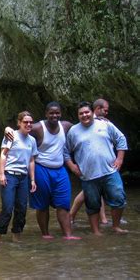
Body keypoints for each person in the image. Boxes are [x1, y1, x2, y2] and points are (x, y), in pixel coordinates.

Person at [5, 102, 80, 240]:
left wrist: (99, 120)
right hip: (41, 168)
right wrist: (7, 129)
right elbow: (20, 128)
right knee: (42, 204)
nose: (54, 115)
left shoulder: (66, 126)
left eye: (57, 113)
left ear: (61, 113)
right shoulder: (39, 127)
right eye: (51, 113)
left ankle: (68, 235)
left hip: (60, 169)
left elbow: (82, 128)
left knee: (63, 203)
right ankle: (45, 234)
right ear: (46, 114)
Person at [64, 101, 128, 235]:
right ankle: (96, 231)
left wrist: (119, 159)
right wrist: (72, 166)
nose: (84, 115)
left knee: (119, 198)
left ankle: (116, 226)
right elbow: (65, 151)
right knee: (92, 205)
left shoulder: (105, 124)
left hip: (109, 171)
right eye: (81, 113)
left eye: (87, 112)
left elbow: (121, 139)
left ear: (92, 112)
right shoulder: (73, 132)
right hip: (88, 175)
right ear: (78, 115)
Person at [0, 111, 37, 247]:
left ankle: (16, 237)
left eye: (30, 122)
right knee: (7, 208)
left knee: (22, 209)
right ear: (19, 123)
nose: (28, 124)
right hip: (10, 175)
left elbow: (31, 160)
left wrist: (32, 180)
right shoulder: (11, 135)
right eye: (25, 122)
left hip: (23, 177)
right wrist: (1, 174)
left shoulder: (32, 140)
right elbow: (3, 155)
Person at [70, 98, 110, 224]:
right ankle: (71, 216)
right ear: (97, 109)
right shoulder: (86, 123)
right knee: (87, 192)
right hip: (89, 164)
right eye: (105, 110)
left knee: (95, 192)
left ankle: (102, 218)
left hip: (101, 163)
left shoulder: (102, 122)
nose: (107, 113)